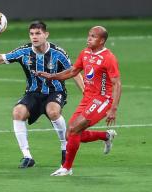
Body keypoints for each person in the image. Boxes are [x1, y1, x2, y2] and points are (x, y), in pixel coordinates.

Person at [0, 21, 84, 168]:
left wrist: (86, 92)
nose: (34, 37)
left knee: (52, 111)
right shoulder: (24, 51)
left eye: (38, 33)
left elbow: (74, 72)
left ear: (46, 35)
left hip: (55, 91)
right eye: (32, 34)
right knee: (17, 112)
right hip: (33, 92)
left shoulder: (58, 53)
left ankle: (65, 148)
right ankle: (27, 156)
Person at [37, 26, 121, 176]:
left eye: (93, 36)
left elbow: (117, 83)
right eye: (89, 35)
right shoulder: (85, 53)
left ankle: (67, 168)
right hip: (88, 98)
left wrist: (113, 109)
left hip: (102, 99)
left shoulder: (109, 58)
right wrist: (52, 76)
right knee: (70, 134)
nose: (88, 39)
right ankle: (106, 136)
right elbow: (73, 71)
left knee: (74, 129)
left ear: (101, 40)